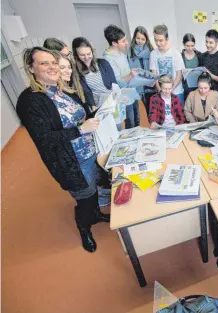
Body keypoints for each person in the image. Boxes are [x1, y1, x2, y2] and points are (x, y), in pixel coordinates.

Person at [16, 47, 110, 253]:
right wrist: (80, 129)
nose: (52, 67)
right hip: (71, 162)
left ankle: (96, 214)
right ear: (31, 68)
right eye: (44, 63)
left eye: (53, 62)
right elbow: (45, 139)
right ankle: (84, 228)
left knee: (93, 188)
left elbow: (81, 111)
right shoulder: (30, 100)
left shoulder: (62, 89)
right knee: (84, 198)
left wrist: (93, 113)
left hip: (90, 151)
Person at [72, 37, 122, 130]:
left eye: (88, 54)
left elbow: (114, 83)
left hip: (111, 104)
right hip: (97, 108)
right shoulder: (76, 71)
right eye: (82, 55)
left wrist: (119, 96)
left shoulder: (103, 63)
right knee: (105, 133)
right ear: (76, 55)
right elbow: (85, 92)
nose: (86, 58)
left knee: (118, 128)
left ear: (92, 51)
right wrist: (92, 105)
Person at [102, 24, 140, 129]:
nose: (127, 43)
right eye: (123, 41)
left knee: (137, 120)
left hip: (131, 92)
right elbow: (116, 83)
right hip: (123, 96)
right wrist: (130, 75)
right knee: (131, 123)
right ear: (114, 43)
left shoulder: (122, 54)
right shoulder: (107, 60)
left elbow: (126, 74)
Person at [150, 24, 185, 104]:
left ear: (167, 39)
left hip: (176, 92)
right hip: (161, 93)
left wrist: (170, 90)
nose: (158, 43)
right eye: (155, 40)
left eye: (161, 40)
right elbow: (154, 75)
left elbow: (179, 75)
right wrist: (161, 91)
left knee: (179, 116)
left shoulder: (175, 54)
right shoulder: (153, 54)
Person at [128, 26, 154, 114]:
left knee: (152, 110)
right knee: (142, 113)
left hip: (150, 85)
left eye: (143, 39)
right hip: (138, 86)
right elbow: (128, 68)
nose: (140, 41)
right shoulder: (130, 51)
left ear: (146, 39)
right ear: (134, 38)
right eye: (138, 38)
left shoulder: (151, 50)